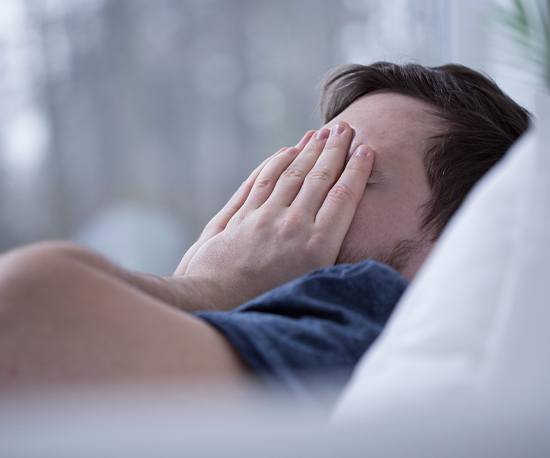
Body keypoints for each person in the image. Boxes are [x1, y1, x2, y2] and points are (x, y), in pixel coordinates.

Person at [0, 62, 529, 397]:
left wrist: (209, 288)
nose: (278, 200)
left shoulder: (362, 312)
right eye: (301, 165)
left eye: (345, 172)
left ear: (461, 240)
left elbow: (19, 312)